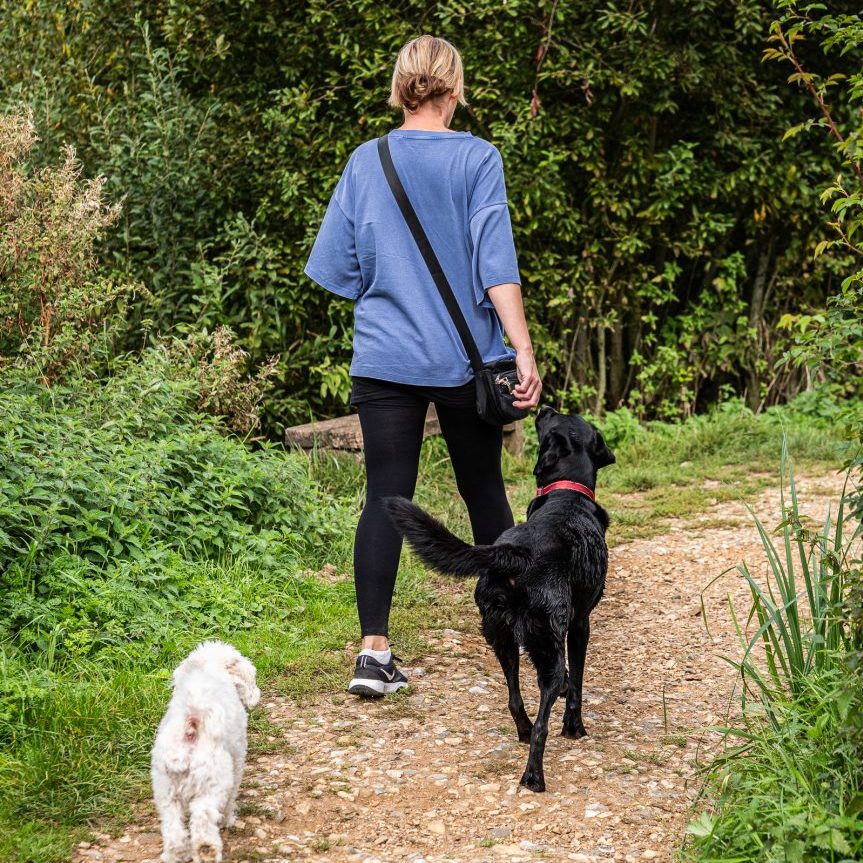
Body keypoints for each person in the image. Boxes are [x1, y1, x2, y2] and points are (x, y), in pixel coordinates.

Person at [304, 34, 542, 697]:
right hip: (466, 358)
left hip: (384, 355)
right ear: (455, 87)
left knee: (385, 495)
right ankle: (520, 624)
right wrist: (520, 347)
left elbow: (339, 269)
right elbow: (496, 266)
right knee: (483, 489)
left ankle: (373, 654)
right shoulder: (477, 159)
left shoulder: (365, 161)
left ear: (400, 86)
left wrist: (395, 287)